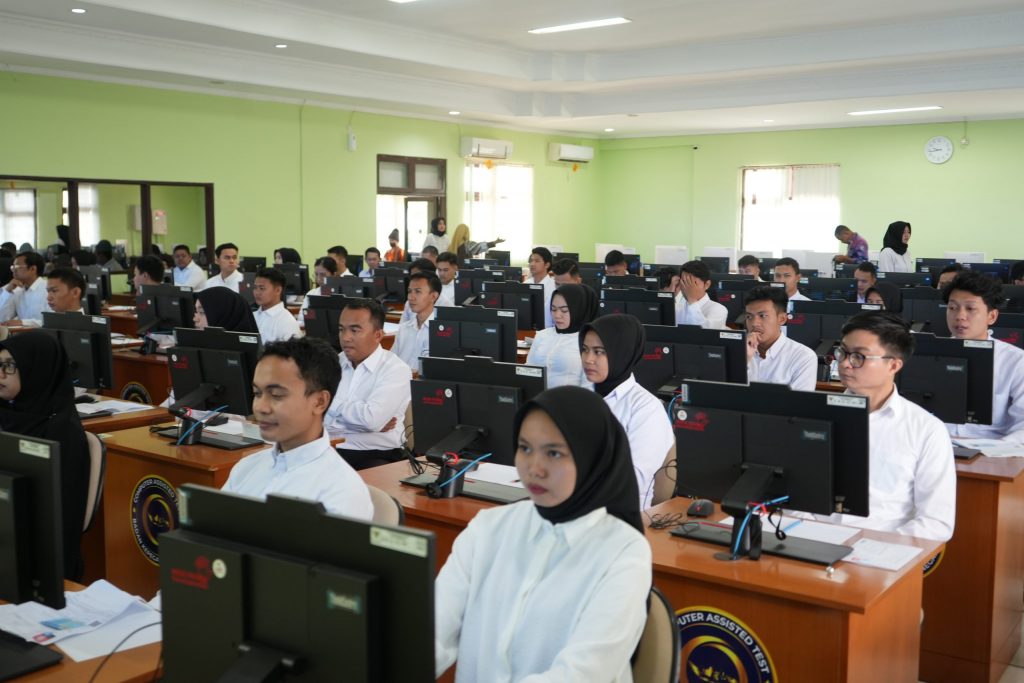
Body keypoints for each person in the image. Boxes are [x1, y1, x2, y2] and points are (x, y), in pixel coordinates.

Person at [434, 385, 651, 682]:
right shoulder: (489, 528)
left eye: (554, 453)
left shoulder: (623, 552)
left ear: (591, 458)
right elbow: (430, 634)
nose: (534, 468)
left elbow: (583, 673)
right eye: (525, 448)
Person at [826, 311, 955, 541]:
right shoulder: (817, 414)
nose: (845, 363)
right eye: (843, 352)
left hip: (880, 550)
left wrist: (874, 546)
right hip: (810, 542)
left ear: (893, 365)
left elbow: (936, 523)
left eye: (859, 356)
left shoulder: (926, 430)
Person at [221, 337, 373, 519]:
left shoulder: (341, 492)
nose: (261, 407)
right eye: (257, 393)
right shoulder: (245, 468)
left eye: (276, 395)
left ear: (319, 402)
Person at [0, 331, 90, 580]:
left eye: (8, 366)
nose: (0, 375)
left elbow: (58, 517)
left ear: (35, 370)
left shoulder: (62, 435)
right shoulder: (9, 415)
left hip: (38, 561)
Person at [579, 314, 674, 510]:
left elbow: (632, 481)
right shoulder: (578, 395)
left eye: (599, 352)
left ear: (620, 353)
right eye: (585, 350)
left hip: (621, 515)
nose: (588, 359)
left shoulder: (646, 408)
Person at [324, 299, 412, 470]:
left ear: (378, 335)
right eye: (341, 329)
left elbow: (371, 420)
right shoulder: (333, 362)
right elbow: (311, 412)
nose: (345, 337)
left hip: (376, 454)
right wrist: (363, 425)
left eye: (355, 330)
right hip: (330, 449)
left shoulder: (396, 369)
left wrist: (329, 405)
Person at [943, 271, 1024, 445]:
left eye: (970, 308)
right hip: (935, 451)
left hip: (992, 455)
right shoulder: (928, 354)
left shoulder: (1016, 362)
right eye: (952, 307)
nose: (960, 316)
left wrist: (994, 451)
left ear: (991, 316)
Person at [743, 285, 817, 391]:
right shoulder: (740, 351)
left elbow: (799, 404)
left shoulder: (803, 357)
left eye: (762, 316)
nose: (754, 323)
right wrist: (744, 361)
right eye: (749, 316)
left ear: (782, 319)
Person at [527, 284, 598, 388]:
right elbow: (528, 370)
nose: (557, 315)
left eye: (564, 310)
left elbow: (589, 387)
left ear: (579, 310)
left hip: (568, 401)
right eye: (553, 309)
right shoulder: (542, 335)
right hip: (536, 400)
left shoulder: (587, 342)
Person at [393, 271, 441, 372]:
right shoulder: (403, 328)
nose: (411, 297)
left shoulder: (441, 331)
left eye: (418, 291)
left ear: (433, 296)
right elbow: (391, 361)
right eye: (409, 291)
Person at [674, 260, 728, 329]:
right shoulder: (677, 308)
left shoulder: (719, 309)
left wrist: (692, 300)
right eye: (684, 282)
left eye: (693, 283)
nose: (687, 287)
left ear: (707, 285)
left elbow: (704, 333)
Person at [252, 267, 301, 343]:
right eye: (255, 288)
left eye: (262, 288)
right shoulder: (252, 316)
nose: (257, 292)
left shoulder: (287, 323)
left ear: (278, 290)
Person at [0, 251, 48, 326]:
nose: (14, 270)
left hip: (44, 336)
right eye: (13, 267)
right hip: (21, 335)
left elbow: (53, 321)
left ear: (33, 269)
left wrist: (23, 322)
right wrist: (7, 292)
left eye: (18, 267)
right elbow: (2, 319)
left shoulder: (48, 289)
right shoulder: (16, 289)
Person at [193, 287, 259, 333]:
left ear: (224, 315)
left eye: (202, 312)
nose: (195, 319)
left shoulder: (244, 351)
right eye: (196, 311)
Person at [296, 256, 338, 325]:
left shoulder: (341, 294)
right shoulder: (311, 293)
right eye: (316, 274)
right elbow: (301, 319)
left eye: (323, 275)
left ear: (334, 275)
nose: (318, 279)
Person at [527, 247, 556, 328]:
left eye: (537, 261)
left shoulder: (554, 287)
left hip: (548, 329)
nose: (532, 264)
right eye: (531, 261)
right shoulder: (525, 284)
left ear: (547, 265)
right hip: (527, 328)